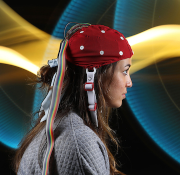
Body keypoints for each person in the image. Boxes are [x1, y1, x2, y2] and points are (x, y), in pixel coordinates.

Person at [13, 23, 133, 175]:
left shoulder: (57, 126)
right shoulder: (79, 142)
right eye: (125, 71)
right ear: (94, 75)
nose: (129, 82)